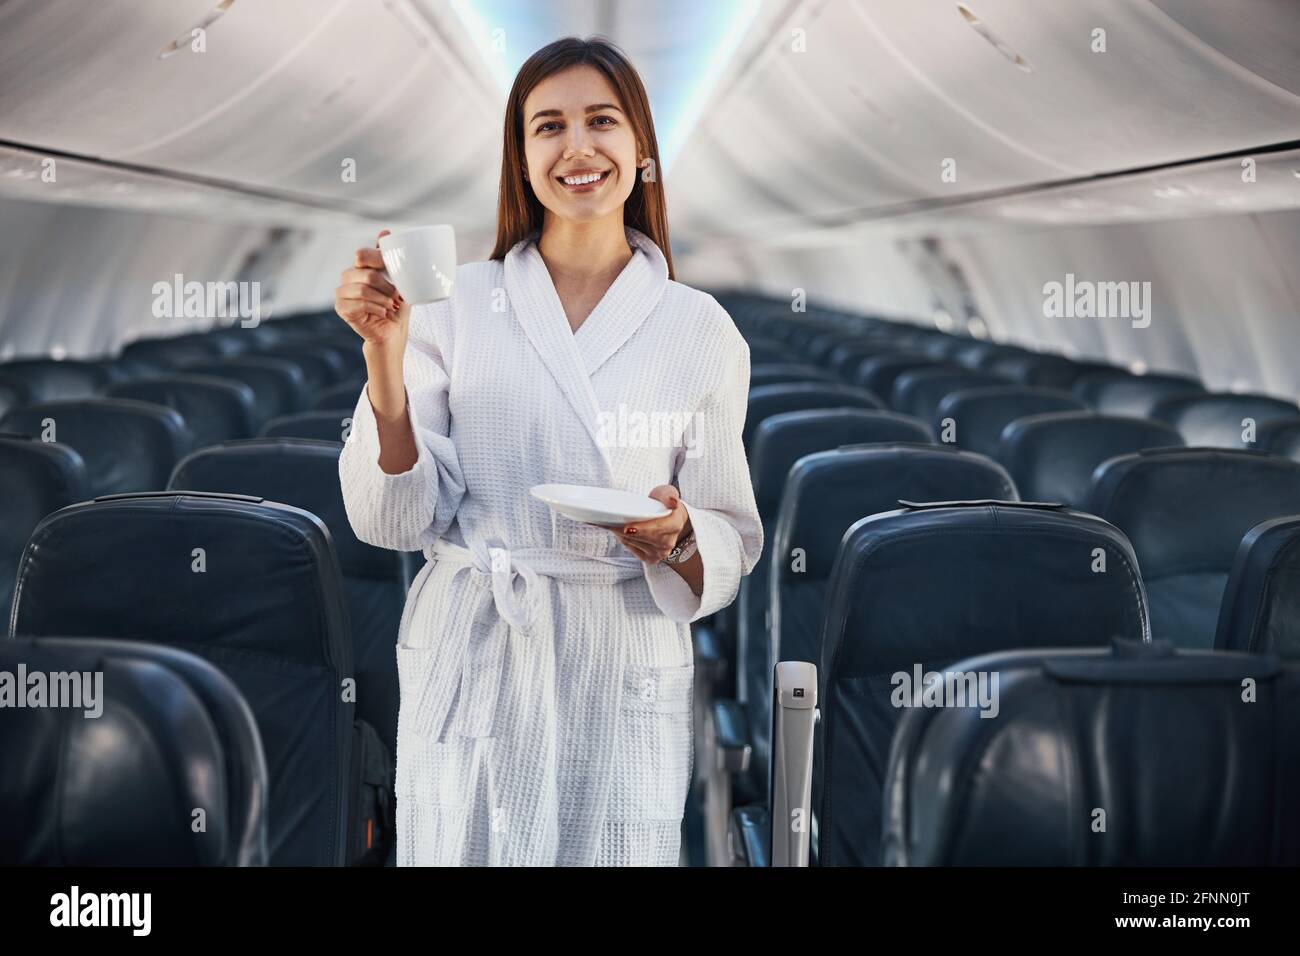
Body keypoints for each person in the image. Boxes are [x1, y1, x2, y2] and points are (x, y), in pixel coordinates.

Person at [334, 36, 762, 866]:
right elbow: (394, 519)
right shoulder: (453, 307)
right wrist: (384, 357)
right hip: (478, 639)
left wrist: (679, 539)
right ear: (520, 156)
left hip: (620, 645)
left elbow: (731, 537)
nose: (577, 148)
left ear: (641, 150)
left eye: (602, 122)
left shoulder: (700, 328)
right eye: (547, 126)